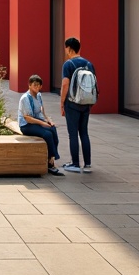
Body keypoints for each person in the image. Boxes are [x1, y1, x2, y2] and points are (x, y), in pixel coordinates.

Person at [60, 37, 94, 174]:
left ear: (69, 48)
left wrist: (62, 102)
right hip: (86, 102)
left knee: (73, 134)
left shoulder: (68, 64)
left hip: (72, 102)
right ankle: (87, 164)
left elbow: (65, 84)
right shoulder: (88, 64)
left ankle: (74, 163)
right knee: (84, 132)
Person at [18, 74, 62, 175]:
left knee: (52, 129)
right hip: (26, 125)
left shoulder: (38, 95)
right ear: (29, 85)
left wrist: (48, 120)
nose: (37, 87)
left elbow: (41, 110)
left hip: (37, 121)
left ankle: (51, 158)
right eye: (35, 85)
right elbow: (27, 118)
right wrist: (42, 123)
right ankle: (51, 162)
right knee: (47, 134)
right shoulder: (25, 98)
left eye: (39, 85)